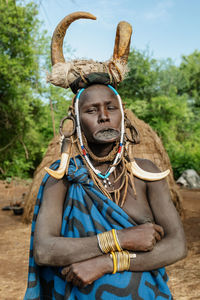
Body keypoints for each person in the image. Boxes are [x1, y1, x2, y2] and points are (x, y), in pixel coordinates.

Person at [24, 12, 187, 300]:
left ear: (122, 116)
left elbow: (176, 246)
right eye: (91, 110)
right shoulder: (61, 177)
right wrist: (122, 239)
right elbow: (46, 250)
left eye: (110, 108)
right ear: (74, 122)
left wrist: (109, 261)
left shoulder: (146, 173)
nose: (103, 117)